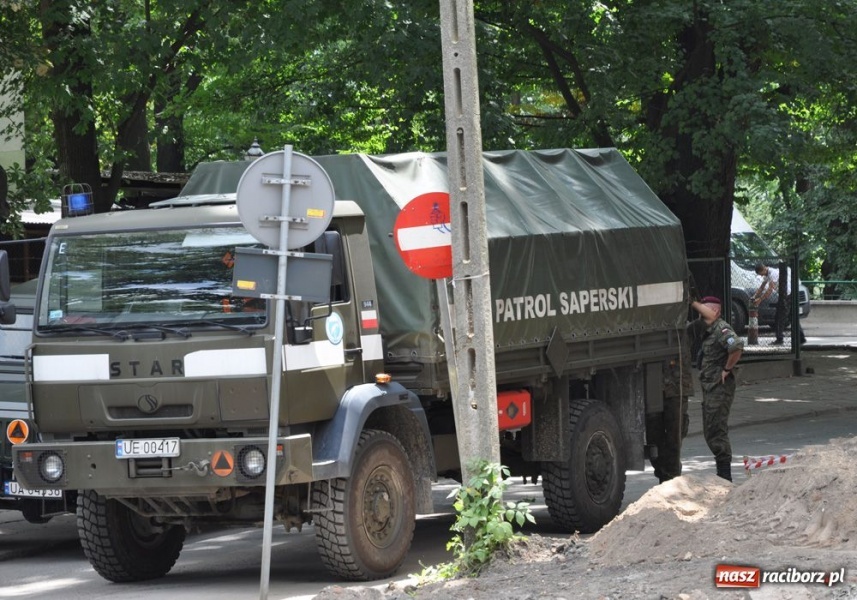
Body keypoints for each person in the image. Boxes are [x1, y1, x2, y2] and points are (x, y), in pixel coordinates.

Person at [688, 296, 743, 482]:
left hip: (719, 388)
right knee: (710, 429)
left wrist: (727, 369)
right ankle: (723, 474)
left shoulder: (721, 329)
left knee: (716, 430)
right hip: (710, 387)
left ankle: (725, 477)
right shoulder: (708, 330)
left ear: (716, 312)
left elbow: (736, 346)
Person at [648, 333, 694, 483]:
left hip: (677, 389)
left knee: (674, 435)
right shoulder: (652, 327)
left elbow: (711, 316)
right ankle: (663, 475)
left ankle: (672, 477)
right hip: (654, 388)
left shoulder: (685, 328)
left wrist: (692, 307)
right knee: (654, 436)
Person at [751, 263, 806, 345]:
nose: (762, 276)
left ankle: (779, 339)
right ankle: (801, 338)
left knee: (779, 318)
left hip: (787, 295)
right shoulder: (768, 274)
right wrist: (754, 296)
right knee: (792, 317)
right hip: (788, 294)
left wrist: (760, 299)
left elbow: (770, 289)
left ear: (763, 269)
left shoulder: (773, 274)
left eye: (761, 274)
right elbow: (762, 287)